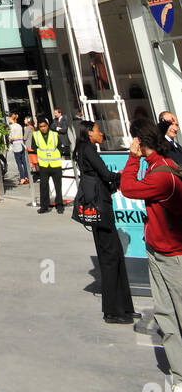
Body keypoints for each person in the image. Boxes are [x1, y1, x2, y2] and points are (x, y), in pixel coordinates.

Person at [121, 119, 182, 392]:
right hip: (158, 251)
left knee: (177, 315)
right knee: (166, 314)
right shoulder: (159, 167)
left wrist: (132, 159)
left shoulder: (162, 174)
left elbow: (129, 188)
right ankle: (179, 376)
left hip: (173, 255)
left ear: (140, 141)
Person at [72, 120, 135, 325]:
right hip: (101, 206)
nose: (101, 133)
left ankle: (124, 306)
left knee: (114, 254)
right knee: (110, 256)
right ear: (89, 133)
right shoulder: (88, 149)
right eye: (98, 130)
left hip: (98, 203)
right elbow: (105, 174)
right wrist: (123, 175)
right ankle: (113, 310)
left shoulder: (83, 149)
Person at [34, 117, 64, 214]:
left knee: (58, 186)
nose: (43, 128)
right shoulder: (36, 135)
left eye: (44, 126)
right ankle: (44, 206)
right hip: (43, 164)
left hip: (55, 164)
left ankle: (59, 205)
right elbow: (34, 148)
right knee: (43, 186)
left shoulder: (54, 134)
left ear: (48, 126)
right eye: (41, 127)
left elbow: (59, 146)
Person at [8, 112, 29, 185]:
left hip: (16, 145)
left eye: (9, 118)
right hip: (22, 144)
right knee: (24, 162)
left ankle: (22, 178)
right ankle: (26, 176)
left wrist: (9, 139)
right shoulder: (19, 126)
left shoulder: (11, 127)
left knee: (19, 163)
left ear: (11, 118)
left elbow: (11, 137)